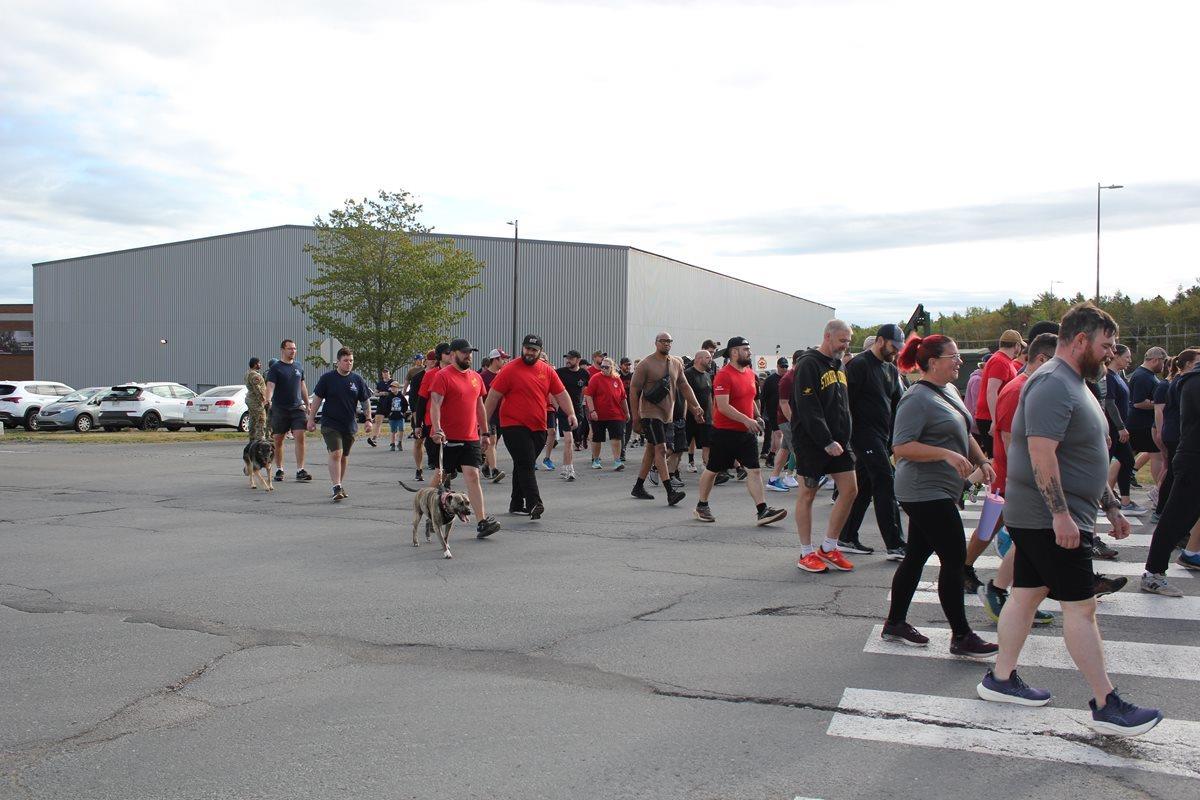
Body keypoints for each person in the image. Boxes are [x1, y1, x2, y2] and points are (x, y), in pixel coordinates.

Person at [978, 303, 1163, 738]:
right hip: (1048, 518)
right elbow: (1041, 453)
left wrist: (1110, 505)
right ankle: (1106, 703)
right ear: (1080, 340)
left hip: (1052, 515)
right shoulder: (1052, 383)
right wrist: (1061, 515)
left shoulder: (1075, 382)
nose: (1111, 352)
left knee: (1025, 595)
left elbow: (1085, 454)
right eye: (1106, 344)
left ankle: (1000, 678)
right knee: (1082, 608)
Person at [880, 333, 999, 658]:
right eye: (953, 356)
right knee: (955, 559)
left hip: (941, 489)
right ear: (933, 362)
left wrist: (982, 460)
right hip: (922, 490)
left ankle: (895, 622)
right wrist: (945, 454)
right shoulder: (915, 398)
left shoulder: (948, 391)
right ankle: (961, 636)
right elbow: (901, 447)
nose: (959, 361)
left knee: (916, 555)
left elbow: (963, 429)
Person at [975, 332, 1059, 625]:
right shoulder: (1015, 386)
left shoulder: (1028, 385)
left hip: (1012, 479)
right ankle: (968, 573)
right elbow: (1012, 445)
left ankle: (972, 574)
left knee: (1000, 533)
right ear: (1041, 358)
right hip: (1009, 481)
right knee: (990, 530)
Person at [692, 336, 787, 526]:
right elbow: (723, 406)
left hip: (746, 433)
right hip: (724, 433)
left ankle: (762, 510)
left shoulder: (750, 373)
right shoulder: (724, 375)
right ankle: (702, 506)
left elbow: (749, 399)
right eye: (746, 349)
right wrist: (746, 419)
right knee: (712, 470)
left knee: (754, 470)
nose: (749, 352)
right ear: (734, 352)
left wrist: (757, 415)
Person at [791, 321, 858, 574]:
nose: (845, 345)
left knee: (850, 490)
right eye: (842, 340)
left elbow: (843, 404)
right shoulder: (808, 364)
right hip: (812, 441)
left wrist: (845, 436)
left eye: (848, 341)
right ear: (827, 336)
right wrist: (825, 440)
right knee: (807, 494)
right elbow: (808, 407)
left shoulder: (839, 364)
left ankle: (829, 547)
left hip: (840, 442)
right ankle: (805, 553)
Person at [484, 334, 573, 520]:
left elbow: (561, 393)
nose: (530, 352)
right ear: (522, 348)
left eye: (534, 350)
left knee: (522, 463)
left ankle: (516, 503)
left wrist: (571, 413)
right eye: (527, 349)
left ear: (540, 351)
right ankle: (534, 503)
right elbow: (493, 396)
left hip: (538, 427)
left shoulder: (547, 371)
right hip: (512, 425)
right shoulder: (509, 369)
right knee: (526, 463)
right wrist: (483, 425)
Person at [837, 324, 906, 558]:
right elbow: (845, 404)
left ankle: (846, 536)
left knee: (864, 487)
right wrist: (846, 438)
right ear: (880, 340)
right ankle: (895, 543)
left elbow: (897, 404)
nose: (896, 351)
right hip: (863, 435)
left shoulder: (891, 369)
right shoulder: (859, 365)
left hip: (882, 437)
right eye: (893, 346)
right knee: (886, 482)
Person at [1141, 350, 1200, 594]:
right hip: (1194, 460)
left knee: (1179, 519)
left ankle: (1187, 555)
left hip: (1191, 457)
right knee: (1175, 519)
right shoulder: (1193, 382)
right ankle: (1153, 573)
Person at [429, 339, 501, 537]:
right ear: (453, 354)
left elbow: (480, 407)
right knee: (441, 476)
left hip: (470, 437)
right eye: (464, 352)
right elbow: (435, 404)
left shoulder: (476, 377)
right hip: (447, 437)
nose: (468, 356)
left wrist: (484, 433)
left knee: (473, 475)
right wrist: (437, 429)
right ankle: (429, 511)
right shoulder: (442, 376)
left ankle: (482, 522)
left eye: (470, 352)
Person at [629, 331, 704, 506]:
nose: (667, 344)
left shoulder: (676, 363)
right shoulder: (646, 364)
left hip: (667, 415)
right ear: (656, 343)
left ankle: (638, 487)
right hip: (649, 413)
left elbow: (684, 386)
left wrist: (696, 406)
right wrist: (635, 418)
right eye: (663, 341)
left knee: (651, 450)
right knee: (661, 449)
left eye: (669, 341)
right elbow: (633, 390)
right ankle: (670, 492)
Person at [306, 346, 371, 502]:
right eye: (346, 360)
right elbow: (317, 399)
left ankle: (339, 485)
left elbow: (365, 401)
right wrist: (311, 419)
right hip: (330, 423)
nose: (349, 363)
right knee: (336, 453)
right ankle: (336, 486)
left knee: (344, 455)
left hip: (349, 424)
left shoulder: (357, 380)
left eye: (351, 360)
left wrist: (368, 419)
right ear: (338, 362)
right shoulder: (327, 378)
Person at [1153, 349, 1200, 521]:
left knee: (1172, 472)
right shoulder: (1184, 381)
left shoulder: (1179, 380)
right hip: (1175, 432)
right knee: (1174, 474)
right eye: (1197, 362)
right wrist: (1159, 431)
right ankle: (1162, 509)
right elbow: (1162, 410)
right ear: (1188, 364)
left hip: (1175, 431)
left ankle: (1162, 507)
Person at [265, 339, 313, 482]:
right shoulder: (276, 368)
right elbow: (270, 386)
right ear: (283, 350)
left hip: (297, 408)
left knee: (300, 436)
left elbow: (302, 386)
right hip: (280, 409)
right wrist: (268, 399)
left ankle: (300, 470)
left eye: (294, 348)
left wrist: (307, 404)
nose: (293, 351)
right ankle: (279, 469)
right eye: (290, 348)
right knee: (278, 440)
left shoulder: (298, 366)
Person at [974, 330, 1024, 458]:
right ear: (1017, 345)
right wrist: (996, 421)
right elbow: (992, 392)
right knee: (997, 459)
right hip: (989, 418)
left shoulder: (1002, 360)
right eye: (1020, 346)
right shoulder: (1000, 361)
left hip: (991, 416)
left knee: (997, 459)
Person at [1128, 346, 1168, 489]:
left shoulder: (1146, 375)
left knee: (1125, 458)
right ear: (1155, 360)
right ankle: (1159, 490)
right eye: (1163, 362)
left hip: (1141, 423)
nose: (1163, 366)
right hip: (1141, 424)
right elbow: (1138, 402)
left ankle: (1111, 484)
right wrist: (1160, 404)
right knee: (1157, 457)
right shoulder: (1143, 376)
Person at [417, 343, 454, 485]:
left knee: (446, 462)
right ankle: (434, 491)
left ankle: (444, 485)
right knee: (438, 460)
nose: (451, 355)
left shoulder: (457, 373)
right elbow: (421, 400)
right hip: (431, 422)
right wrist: (417, 424)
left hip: (451, 422)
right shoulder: (430, 374)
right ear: (439, 356)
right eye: (447, 352)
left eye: (452, 352)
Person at [584, 357, 630, 469]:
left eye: (606, 367)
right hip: (599, 414)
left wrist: (627, 412)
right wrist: (592, 411)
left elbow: (623, 398)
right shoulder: (595, 378)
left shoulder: (617, 379)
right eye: (602, 366)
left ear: (612, 368)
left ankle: (617, 461)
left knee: (616, 438)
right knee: (597, 438)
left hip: (615, 414)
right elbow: (588, 395)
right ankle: (596, 460)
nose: (603, 369)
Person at [555, 350, 591, 481]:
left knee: (571, 441)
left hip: (578, 412)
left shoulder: (584, 374)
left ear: (578, 360)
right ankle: (570, 469)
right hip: (564, 410)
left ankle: (565, 468)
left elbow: (585, 391)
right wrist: (557, 406)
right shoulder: (560, 372)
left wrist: (586, 407)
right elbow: (551, 391)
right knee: (568, 439)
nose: (568, 360)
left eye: (571, 358)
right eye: (567, 358)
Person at [480, 348, 508, 483]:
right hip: (488, 414)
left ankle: (486, 465)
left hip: (501, 415)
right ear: (495, 359)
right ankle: (494, 470)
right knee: (492, 441)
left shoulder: (503, 375)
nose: (505, 361)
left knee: (494, 444)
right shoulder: (483, 377)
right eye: (503, 359)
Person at [684, 350, 714, 473]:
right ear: (699, 359)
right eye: (707, 357)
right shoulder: (688, 374)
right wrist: (694, 412)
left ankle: (708, 470)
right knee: (679, 448)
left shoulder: (707, 375)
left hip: (706, 417)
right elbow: (685, 396)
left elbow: (709, 396)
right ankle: (669, 470)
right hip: (690, 417)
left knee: (707, 444)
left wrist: (712, 415)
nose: (710, 360)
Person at [407, 351, 434, 482]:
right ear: (426, 361)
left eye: (435, 360)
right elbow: (413, 398)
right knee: (419, 441)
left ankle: (438, 466)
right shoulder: (418, 377)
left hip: (434, 414)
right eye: (431, 360)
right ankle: (419, 469)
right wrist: (415, 416)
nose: (433, 362)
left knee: (435, 441)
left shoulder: (440, 375)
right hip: (420, 413)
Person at [759, 359, 785, 463]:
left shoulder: (788, 378)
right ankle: (780, 459)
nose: (784, 369)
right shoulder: (770, 380)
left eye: (786, 367)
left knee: (776, 435)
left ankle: (771, 455)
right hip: (772, 411)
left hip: (784, 410)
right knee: (778, 434)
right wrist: (760, 414)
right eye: (782, 367)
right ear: (777, 366)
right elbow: (763, 397)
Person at [365, 368, 392, 447]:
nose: (385, 374)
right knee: (377, 422)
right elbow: (375, 393)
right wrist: (381, 393)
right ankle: (374, 439)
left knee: (393, 423)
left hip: (391, 404)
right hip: (381, 404)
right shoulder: (380, 383)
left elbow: (396, 392)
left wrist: (387, 393)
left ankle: (394, 440)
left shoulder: (393, 382)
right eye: (384, 373)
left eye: (386, 373)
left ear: (389, 374)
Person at [245, 357, 267, 441]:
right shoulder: (255, 375)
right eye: (259, 363)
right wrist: (263, 399)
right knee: (261, 419)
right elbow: (257, 389)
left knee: (253, 420)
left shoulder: (248, 373)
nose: (260, 364)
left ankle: (252, 439)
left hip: (251, 399)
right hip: (256, 401)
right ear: (255, 364)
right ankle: (260, 439)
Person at [386, 380, 409, 451]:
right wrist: (389, 413)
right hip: (392, 416)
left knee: (401, 429)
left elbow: (405, 404)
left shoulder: (401, 396)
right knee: (393, 431)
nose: (392, 388)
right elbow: (386, 406)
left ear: (398, 388)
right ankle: (392, 444)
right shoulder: (389, 396)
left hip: (400, 416)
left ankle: (399, 443)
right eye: (391, 387)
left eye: (394, 387)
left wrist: (403, 412)